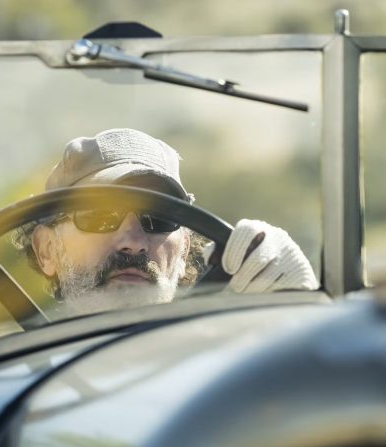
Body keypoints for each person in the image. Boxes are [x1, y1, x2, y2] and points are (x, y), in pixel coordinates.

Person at [17, 128, 318, 316]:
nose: (133, 242)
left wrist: (299, 317)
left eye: (159, 218)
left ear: (184, 250)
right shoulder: (3, 384)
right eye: (100, 215)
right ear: (47, 249)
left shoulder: (235, 372)